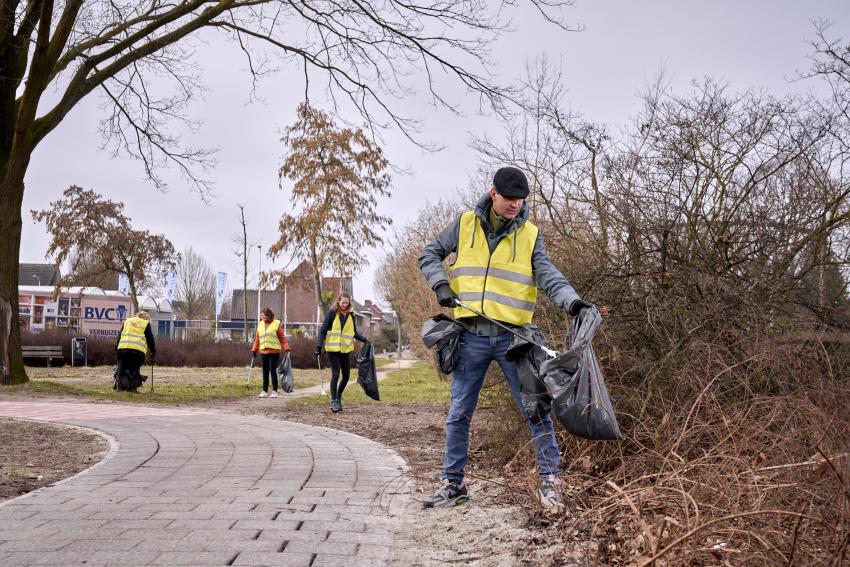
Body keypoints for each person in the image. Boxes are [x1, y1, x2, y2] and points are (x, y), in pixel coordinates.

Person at [418, 166, 597, 513]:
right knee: (458, 413)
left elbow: (548, 275)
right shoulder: (465, 223)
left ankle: (551, 483)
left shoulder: (530, 234)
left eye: (520, 200)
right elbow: (428, 254)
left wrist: (573, 302)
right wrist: (440, 283)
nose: (515, 205)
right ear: (494, 193)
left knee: (536, 410)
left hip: (514, 340)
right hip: (470, 337)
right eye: (509, 198)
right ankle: (453, 484)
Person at [315, 292, 369, 412]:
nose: (345, 305)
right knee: (336, 374)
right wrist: (318, 346)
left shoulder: (352, 315)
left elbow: (353, 332)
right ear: (338, 301)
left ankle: (338, 396)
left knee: (346, 375)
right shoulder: (332, 313)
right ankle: (334, 401)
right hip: (332, 349)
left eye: (347, 302)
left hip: (345, 350)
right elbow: (322, 331)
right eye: (343, 302)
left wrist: (365, 340)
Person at [252, 307, 290, 398]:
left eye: (263, 315)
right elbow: (257, 339)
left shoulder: (276, 324)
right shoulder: (260, 324)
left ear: (268, 315)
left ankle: (274, 391)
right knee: (264, 371)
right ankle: (264, 391)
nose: (262, 317)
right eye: (261, 315)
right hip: (263, 352)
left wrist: (286, 348)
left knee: (272, 371)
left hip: (274, 352)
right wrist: (254, 350)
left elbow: (282, 338)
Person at [114, 310, 156, 392]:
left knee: (121, 367)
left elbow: (120, 334)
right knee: (135, 368)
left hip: (123, 347)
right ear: (146, 318)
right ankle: (133, 389)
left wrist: (117, 346)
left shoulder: (128, 321)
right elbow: (150, 338)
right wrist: (152, 350)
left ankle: (119, 388)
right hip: (137, 350)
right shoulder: (145, 323)